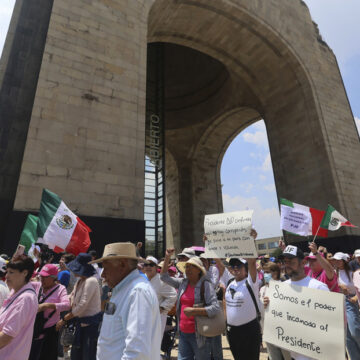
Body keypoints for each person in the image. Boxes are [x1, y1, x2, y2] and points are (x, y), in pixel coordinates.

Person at [94, 242, 161, 360]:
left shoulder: (137, 292)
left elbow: (137, 352)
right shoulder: (124, 289)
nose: (103, 274)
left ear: (122, 265)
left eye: (106, 267)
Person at [264, 245, 329, 360]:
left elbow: (330, 323)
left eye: (291, 262)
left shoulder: (318, 287)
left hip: (316, 354)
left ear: (303, 262)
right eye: (285, 262)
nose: (287, 265)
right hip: (293, 355)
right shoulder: (280, 288)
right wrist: (269, 307)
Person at [161, 249, 220, 359]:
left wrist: (194, 311)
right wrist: (167, 257)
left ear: (199, 270)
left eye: (191, 267)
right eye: (186, 267)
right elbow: (164, 277)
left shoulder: (206, 285)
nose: (187, 269)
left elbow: (215, 308)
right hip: (183, 333)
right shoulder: (183, 283)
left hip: (200, 335)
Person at [56, 253, 102, 360]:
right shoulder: (80, 281)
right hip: (80, 324)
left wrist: (64, 319)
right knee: (76, 355)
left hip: (90, 327)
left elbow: (82, 306)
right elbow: (71, 297)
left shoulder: (91, 281)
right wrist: (55, 303)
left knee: (87, 355)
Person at [29, 264, 70, 360]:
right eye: (41, 276)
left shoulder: (60, 289)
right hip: (34, 331)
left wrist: (48, 305)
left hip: (49, 333)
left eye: (45, 277)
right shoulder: (37, 285)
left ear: (54, 278)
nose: (42, 279)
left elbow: (67, 305)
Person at [0, 255, 38, 359]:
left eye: (11, 272)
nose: (6, 276)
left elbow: (7, 336)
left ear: (25, 273)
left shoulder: (25, 298)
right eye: (7, 272)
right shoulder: (15, 292)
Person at [259, 262, 291, 360]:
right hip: (268, 330)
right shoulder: (262, 289)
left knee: (287, 357)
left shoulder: (285, 287)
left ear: (276, 273)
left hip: (283, 331)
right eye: (264, 272)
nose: (266, 275)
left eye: (268, 272)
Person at [332, 252, 360, 359]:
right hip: (338, 303)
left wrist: (355, 298)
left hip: (350, 301)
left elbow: (358, 289)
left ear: (344, 261)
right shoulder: (333, 273)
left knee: (355, 331)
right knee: (347, 336)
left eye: (338, 260)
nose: (336, 262)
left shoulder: (352, 273)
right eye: (335, 260)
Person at [143, 255, 177, 336]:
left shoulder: (161, 281)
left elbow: (173, 295)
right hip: (144, 316)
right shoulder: (142, 279)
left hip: (157, 317)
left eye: (151, 265)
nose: (148, 267)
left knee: (154, 343)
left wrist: (162, 308)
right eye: (146, 264)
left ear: (156, 267)